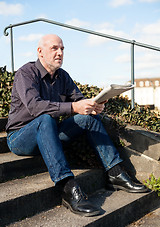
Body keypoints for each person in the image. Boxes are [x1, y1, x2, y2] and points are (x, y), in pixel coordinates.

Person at [6, 34, 148, 217]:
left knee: (88, 118)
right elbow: (35, 107)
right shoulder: (26, 73)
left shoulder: (62, 76)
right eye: (54, 48)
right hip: (20, 137)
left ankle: (115, 173)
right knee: (45, 118)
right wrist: (74, 107)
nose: (60, 53)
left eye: (62, 49)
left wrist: (94, 106)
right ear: (40, 52)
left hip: (50, 133)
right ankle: (67, 186)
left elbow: (79, 100)